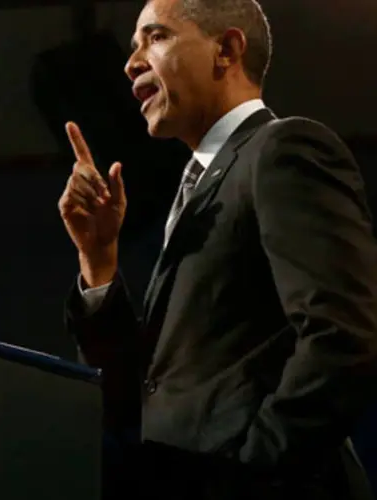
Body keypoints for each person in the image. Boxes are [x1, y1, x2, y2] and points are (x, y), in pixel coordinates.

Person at [58, 0, 377, 498]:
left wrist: (252, 470)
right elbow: (141, 390)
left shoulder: (282, 149)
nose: (131, 62)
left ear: (226, 50)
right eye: (134, 44)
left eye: (156, 37)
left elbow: (345, 334)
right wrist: (98, 262)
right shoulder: (200, 188)